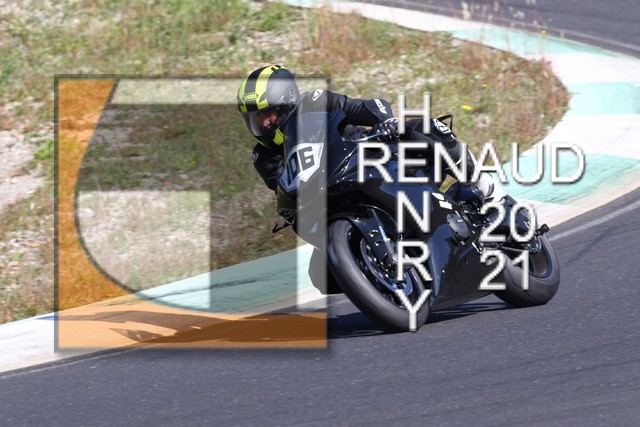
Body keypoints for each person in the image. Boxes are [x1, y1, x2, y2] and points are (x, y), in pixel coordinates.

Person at [236, 64, 505, 293]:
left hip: (372, 161)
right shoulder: (262, 156)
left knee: (424, 128)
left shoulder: (315, 101)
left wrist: (384, 121)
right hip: (328, 196)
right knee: (320, 274)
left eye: (267, 114)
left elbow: (366, 106)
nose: (263, 124)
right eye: (254, 119)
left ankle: (488, 190)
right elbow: (283, 188)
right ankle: (381, 276)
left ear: (287, 104)